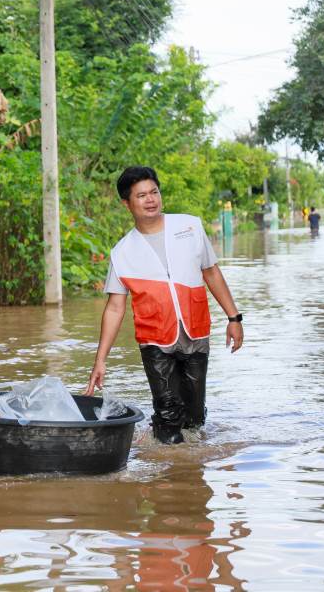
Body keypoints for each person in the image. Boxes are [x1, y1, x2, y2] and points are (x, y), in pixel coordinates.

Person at [85, 166, 244, 444]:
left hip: (196, 332)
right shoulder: (122, 252)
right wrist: (100, 360)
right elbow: (114, 308)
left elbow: (211, 273)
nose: (150, 200)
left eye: (154, 192)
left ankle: (191, 476)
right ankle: (168, 470)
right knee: (169, 416)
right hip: (154, 340)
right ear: (127, 204)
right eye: (142, 195)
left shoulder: (190, 226)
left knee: (194, 419)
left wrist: (234, 318)